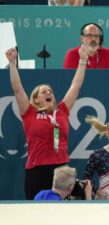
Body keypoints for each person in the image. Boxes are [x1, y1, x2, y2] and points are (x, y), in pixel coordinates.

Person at [6, 46, 87, 200]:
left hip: (61, 170)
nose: (49, 93)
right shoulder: (29, 113)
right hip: (37, 170)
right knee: (36, 214)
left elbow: (76, 86)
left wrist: (82, 61)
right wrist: (12, 63)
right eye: (44, 92)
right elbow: (17, 88)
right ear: (35, 99)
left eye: (50, 91)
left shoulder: (62, 111)